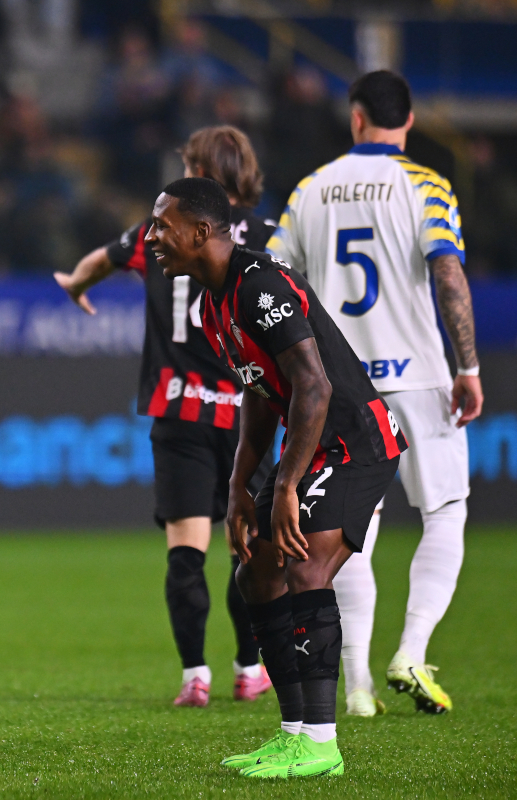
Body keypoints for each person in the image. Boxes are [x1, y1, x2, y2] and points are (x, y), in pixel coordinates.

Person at [149, 177, 406, 779]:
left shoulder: (260, 285)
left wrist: (284, 486)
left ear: (201, 232)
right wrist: (241, 487)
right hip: (314, 444)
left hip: (355, 443)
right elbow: (263, 395)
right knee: (257, 570)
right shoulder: (215, 298)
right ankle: (294, 734)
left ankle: (320, 744)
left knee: (303, 567)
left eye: (162, 226)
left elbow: (313, 385)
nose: (152, 237)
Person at [267, 70, 482, 717]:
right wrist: (467, 365)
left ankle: (356, 682)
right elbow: (447, 275)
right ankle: (410, 651)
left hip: (340, 388)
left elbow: (275, 284)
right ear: (408, 121)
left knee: (348, 527)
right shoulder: (426, 185)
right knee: (444, 511)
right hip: (418, 375)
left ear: (355, 119)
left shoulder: (310, 189)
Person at [55, 126, 274, 707]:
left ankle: (193, 676)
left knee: (186, 550)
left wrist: (75, 283)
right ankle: (249, 669)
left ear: (198, 172)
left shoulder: (155, 233)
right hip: (247, 414)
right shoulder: (273, 237)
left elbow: (98, 261)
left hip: (178, 409)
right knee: (246, 546)